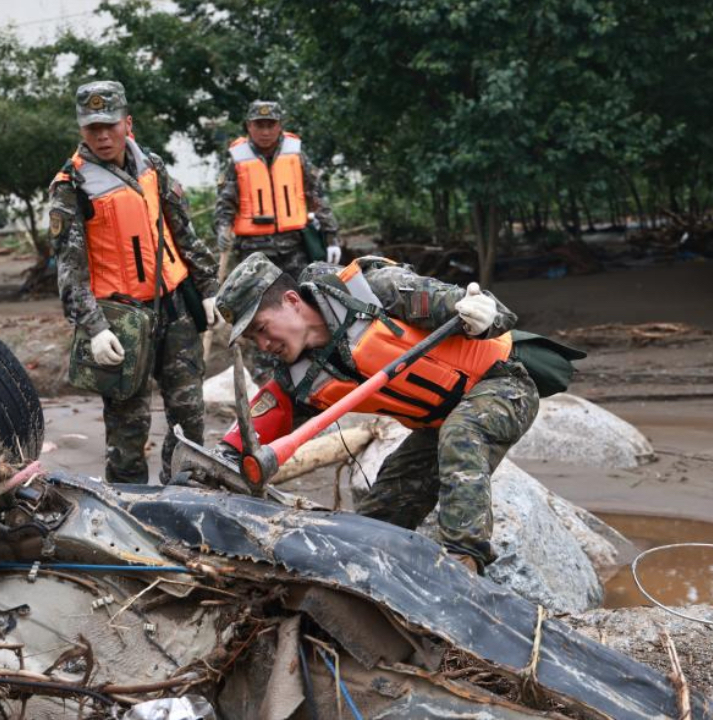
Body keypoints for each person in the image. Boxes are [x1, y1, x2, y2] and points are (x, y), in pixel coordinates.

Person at [214, 253, 566, 574]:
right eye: (252, 340)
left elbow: (496, 311)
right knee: (379, 513)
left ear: (291, 301)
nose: (262, 345)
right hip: (438, 422)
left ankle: (465, 567)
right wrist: (224, 458)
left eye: (261, 328)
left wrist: (484, 317)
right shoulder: (297, 375)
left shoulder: (373, 291)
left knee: (461, 433)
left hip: (504, 382)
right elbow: (257, 422)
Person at [49, 81, 221, 484]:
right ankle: (130, 515)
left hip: (176, 308)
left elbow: (183, 230)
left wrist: (209, 287)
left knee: (190, 417)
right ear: (81, 130)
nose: (103, 135)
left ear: (129, 124)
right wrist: (93, 328)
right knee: (128, 432)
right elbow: (70, 270)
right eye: (93, 128)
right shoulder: (70, 186)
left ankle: (185, 498)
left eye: (110, 125)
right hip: (122, 322)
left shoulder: (152, 167)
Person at [214, 100, 339, 381]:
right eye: (259, 125)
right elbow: (225, 204)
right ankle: (267, 379)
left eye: (271, 125)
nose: (265, 131)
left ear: (280, 125)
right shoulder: (237, 159)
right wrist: (222, 230)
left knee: (303, 308)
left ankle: (317, 371)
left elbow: (316, 196)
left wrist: (331, 236)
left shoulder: (296, 155)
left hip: (294, 246)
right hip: (254, 254)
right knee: (260, 319)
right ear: (249, 126)